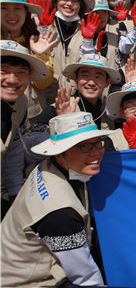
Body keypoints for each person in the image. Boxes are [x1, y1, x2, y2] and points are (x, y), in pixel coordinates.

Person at [1, 112, 113, 286]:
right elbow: (85, 278)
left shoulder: (47, 166)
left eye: (98, 143)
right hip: (25, 281)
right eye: (83, 146)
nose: (96, 153)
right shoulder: (60, 212)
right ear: (60, 154)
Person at [1, 40, 49, 216]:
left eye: (21, 73)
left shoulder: (21, 102)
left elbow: (14, 151)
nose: (12, 80)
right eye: (3, 71)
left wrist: (15, 194)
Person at [44, 0, 95, 89]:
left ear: (81, 6)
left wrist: (88, 41)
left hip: (75, 95)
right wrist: (42, 27)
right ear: (56, 1)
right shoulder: (42, 23)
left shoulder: (87, 30)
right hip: (46, 95)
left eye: (75, 1)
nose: (69, 4)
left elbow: (89, 63)